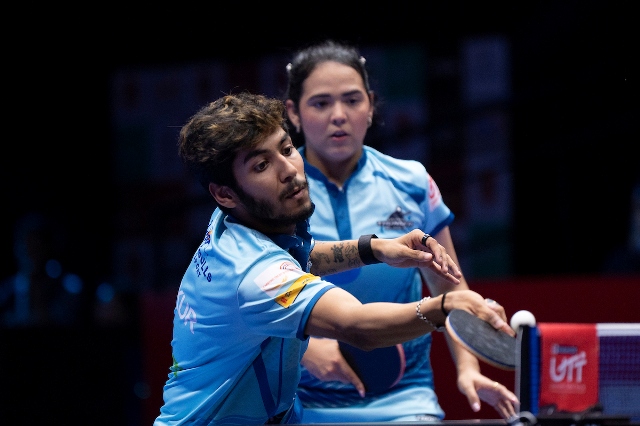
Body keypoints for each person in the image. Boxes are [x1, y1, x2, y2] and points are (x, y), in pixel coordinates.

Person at [153, 92, 517, 425]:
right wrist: (445, 307)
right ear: (224, 193)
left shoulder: (231, 222)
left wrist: (375, 249)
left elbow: (298, 258)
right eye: (261, 166)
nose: (289, 170)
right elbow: (356, 326)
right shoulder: (252, 275)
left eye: (286, 149)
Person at [283, 39, 518, 421]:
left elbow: (449, 288)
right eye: (321, 103)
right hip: (299, 399)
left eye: (352, 100)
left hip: (404, 398)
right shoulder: (275, 192)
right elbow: (249, 294)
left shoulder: (411, 182)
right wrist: (304, 349)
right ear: (294, 112)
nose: (338, 115)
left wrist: (468, 368)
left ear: (371, 105)